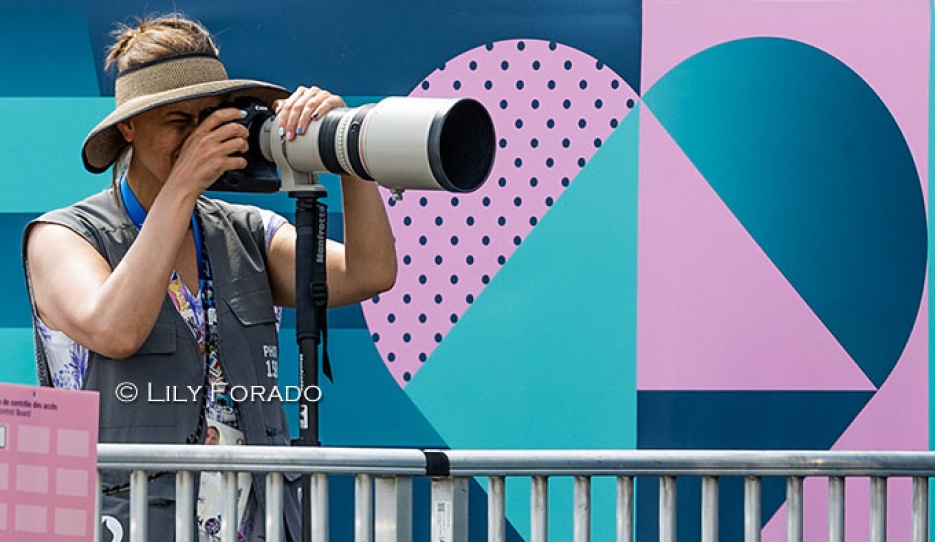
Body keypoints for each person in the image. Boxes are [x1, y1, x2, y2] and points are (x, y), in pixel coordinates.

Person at [21, 13, 397, 542]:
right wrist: (185, 182)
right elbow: (115, 329)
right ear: (129, 127)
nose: (198, 137)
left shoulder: (245, 232)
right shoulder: (63, 235)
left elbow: (368, 272)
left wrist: (347, 153)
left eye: (210, 119)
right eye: (179, 121)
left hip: (255, 523)